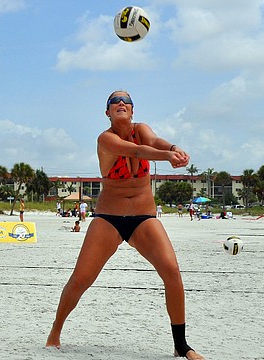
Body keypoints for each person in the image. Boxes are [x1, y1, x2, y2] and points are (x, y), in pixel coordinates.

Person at [45, 91, 203, 359]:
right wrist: (167, 157)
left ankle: (181, 344)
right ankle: (55, 332)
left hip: (143, 217)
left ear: (132, 110)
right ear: (107, 112)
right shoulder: (105, 139)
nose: (120, 103)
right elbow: (138, 151)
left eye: (126, 101)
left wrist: (173, 148)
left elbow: (153, 141)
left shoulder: (141, 129)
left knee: (172, 271)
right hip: (109, 218)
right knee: (81, 278)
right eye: (114, 101)